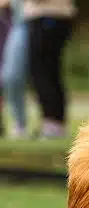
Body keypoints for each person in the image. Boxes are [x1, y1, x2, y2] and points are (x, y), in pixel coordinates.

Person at [23, 0, 73, 138]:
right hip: (50, 16)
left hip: (48, 15)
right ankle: (53, 122)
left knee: (43, 71)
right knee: (47, 71)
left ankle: (52, 123)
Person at [1, 0, 31, 139]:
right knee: (9, 77)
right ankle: (19, 123)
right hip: (11, 23)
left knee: (12, 76)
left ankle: (51, 125)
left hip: (27, 22)